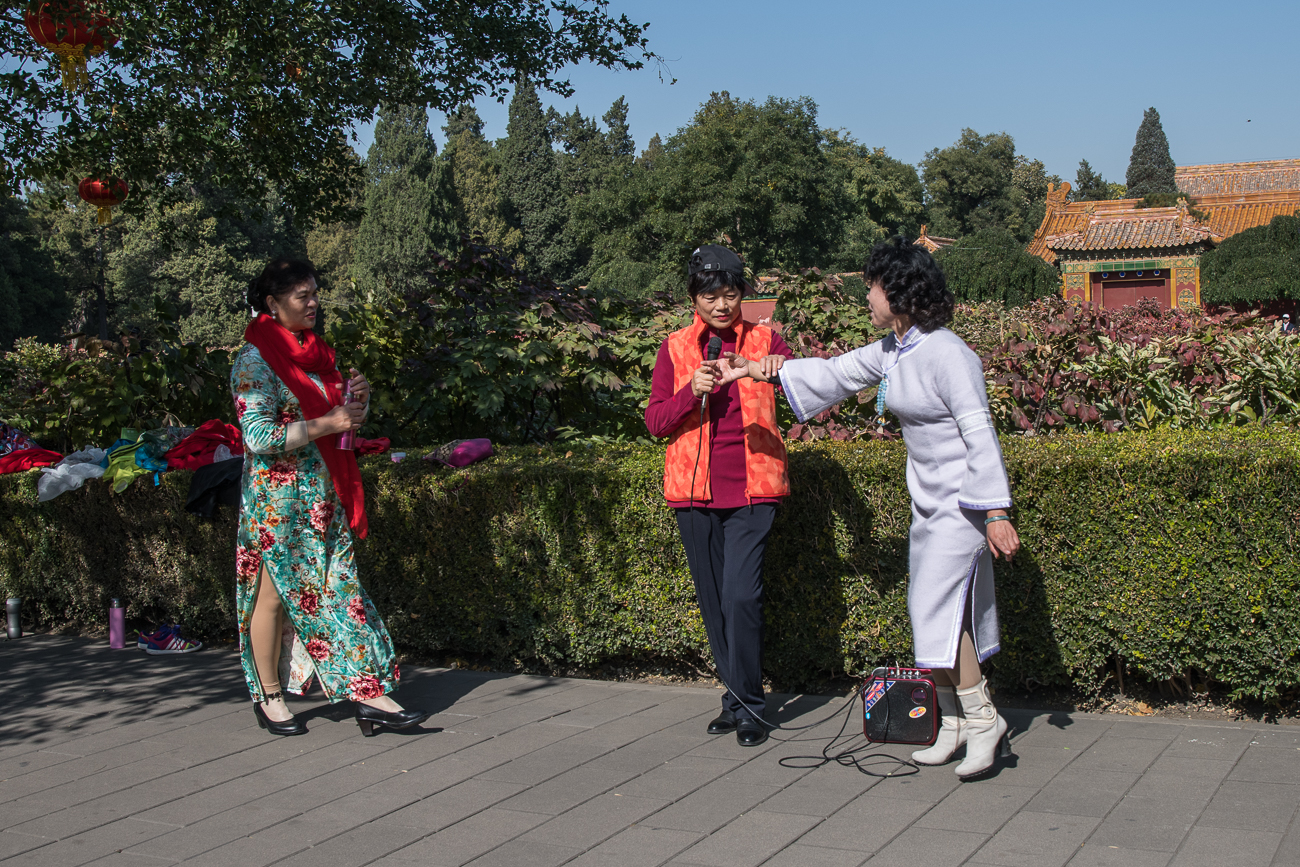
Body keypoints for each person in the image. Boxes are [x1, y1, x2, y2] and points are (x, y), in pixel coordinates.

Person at [710, 237, 1019, 778]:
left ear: (899, 291)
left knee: (936, 612)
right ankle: (953, 724)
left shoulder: (949, 353)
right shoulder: (896, 349)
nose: (867, 297)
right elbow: (835, 373)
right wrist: (756, 369)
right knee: (932, 618)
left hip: (962, 507)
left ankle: (983, 717)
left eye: (872, 287)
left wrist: (995, 512)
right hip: (928, 506)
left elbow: (979, 432)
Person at [231, 258, 430, 738]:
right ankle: (270, 697)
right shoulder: (254, 360)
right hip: (278, 503)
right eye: (302, 296)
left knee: (341, 591)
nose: (314, 302)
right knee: (274, 599)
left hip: (324, 494)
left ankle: (368, 695)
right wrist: (330, 421)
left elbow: (340, 423)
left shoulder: (317, 353)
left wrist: (355, 402)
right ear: (272, 303)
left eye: (315, 292)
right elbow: (258, 435)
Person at [644, 245, 794, 747]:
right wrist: (690, 390)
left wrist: (777, 370)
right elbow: (656, 422)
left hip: (754, 488)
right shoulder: (676, 348)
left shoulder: (768, 340)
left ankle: (751, 704)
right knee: (714, 603)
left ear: (743, 296)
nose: (722, 305)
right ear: (695, 299)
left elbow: (806, 395)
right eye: (711, 296)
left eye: (731, 294)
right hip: (693, 492)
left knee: (741, 596)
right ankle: (734, 699)